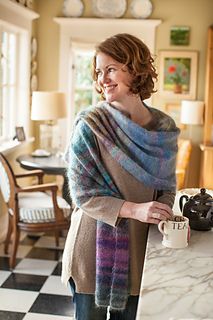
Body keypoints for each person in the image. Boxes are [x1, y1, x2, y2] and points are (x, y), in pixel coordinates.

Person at [62, 33, 180, 320]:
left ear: (135, 67)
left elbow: (166, 187)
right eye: (99, 72)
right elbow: (82, 194)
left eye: (111, 68)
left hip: (141, 252)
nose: (103, 79)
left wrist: (164, 214)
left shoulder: (163, 126)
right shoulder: (91, 125)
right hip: (91, 254)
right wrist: (136, 209)